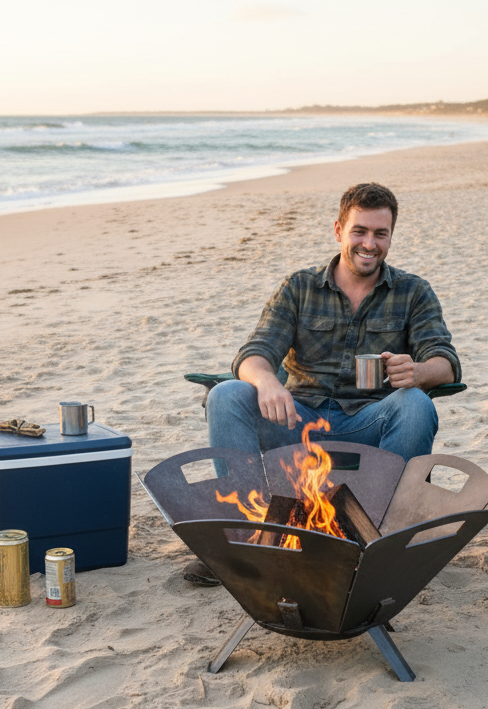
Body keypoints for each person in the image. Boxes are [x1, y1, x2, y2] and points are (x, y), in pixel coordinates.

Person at [187, 182, 462, 585]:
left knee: (416, 404)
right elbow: (254, 353)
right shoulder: (299, 287)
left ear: (390, 236)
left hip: (369, 424)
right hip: (298, 422)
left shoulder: (412, 292)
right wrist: (266, 382)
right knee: (228, 394)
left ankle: (374, 541)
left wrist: (419, 373)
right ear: (339, 231)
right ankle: (243, 539)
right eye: (360, 231)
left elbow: (447, 363)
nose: (369, 244)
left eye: (380, 234)